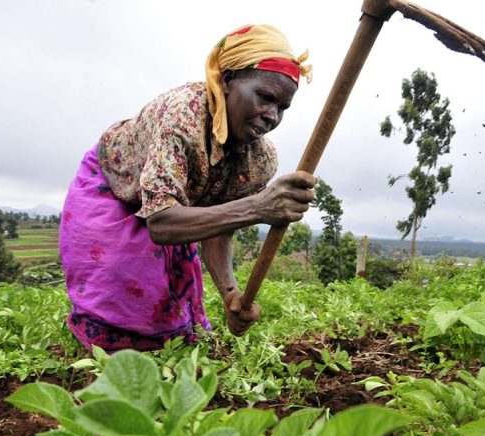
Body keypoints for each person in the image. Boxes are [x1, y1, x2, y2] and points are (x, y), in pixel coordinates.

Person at [59, 24, 317, 353]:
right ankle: (99, 356)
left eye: (282, 107)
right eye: (265, 98)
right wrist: (258, 207)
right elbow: (162, 223)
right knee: (120, 285)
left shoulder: (260, 160)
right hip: (115, 186)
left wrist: (230, 294)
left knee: (167, 317)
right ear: (227, 80)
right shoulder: (181, 118)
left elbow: (218, 227)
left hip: (173, 205)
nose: (272, 116)